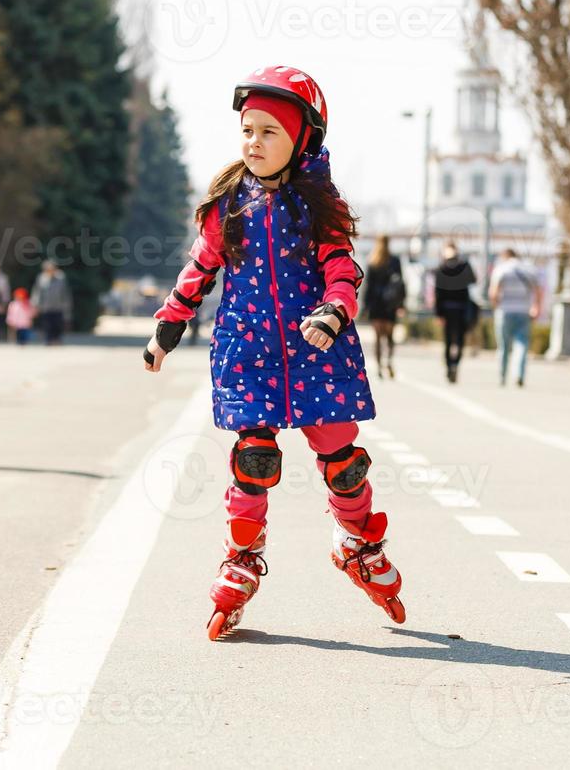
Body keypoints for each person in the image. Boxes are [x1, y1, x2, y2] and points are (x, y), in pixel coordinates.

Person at [143, 64, 403, 639]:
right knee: (254, 458)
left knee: (342, 459)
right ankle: (240, 557)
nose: (254, 142)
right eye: (247, 130)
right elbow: (200, 267)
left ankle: (357, 542)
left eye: (269, 132)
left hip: (317, 349)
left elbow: (342, 268)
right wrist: (169, 324)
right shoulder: (228, 204)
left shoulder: (319, 205)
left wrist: (335, 308)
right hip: (249, 350)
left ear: (302, 137)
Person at [488, 247, 542, 387]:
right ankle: (519, 374)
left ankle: (502, 376)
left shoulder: (501, 269)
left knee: (504, 346)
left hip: (504, 311)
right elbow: (538, 290)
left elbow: (493, 293)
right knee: (522, 344)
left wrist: (496, 306)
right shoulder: (528, 269)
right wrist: (536, 307)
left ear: (504, 256)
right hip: (524, 311)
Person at [362, 234, 406, 379]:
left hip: (376, 303)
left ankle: (380, 366)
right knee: (389, 336)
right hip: (390, 303)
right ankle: (389, 361)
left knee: (377, 337)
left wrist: (365, 307)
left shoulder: (372, 260)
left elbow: (368, 286)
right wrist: (401, 304)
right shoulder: (394, 261)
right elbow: (400, 284)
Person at [432, 241, 477, 383]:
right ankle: (455, 364)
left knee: (448, 340)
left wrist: (438, 313)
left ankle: (449, 365)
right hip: (462, 308)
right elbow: (473, 280)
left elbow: (437, 293)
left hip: (446, 309)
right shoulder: (464, 266)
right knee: (459, 340)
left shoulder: (441, 268)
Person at [31, 260, 71, 345]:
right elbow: (37, 291)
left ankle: (57, 339)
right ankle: (48, 340)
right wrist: (35, 304)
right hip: (45, 306)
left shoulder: (61, 278)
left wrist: (66, 304)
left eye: (52, 269)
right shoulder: (41, 278)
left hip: (58, 305)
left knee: (57, 324)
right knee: (47, 324)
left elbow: (64, 292)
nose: (50, 271)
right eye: (48, 269)